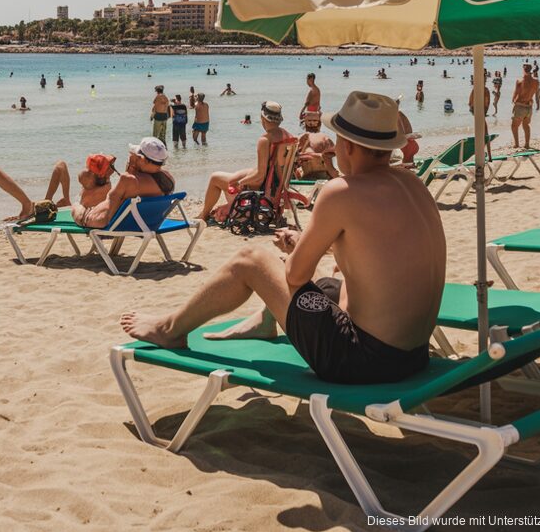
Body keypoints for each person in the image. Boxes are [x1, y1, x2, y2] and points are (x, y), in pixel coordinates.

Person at [121, 92, 445, 385]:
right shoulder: (414, 186)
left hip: (361, 361)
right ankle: (264, 321)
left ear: (346, 146)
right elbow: (377, 249)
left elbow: (294, 276)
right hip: (413, 356)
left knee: (253, 260)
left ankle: (170, 330)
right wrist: (306, 241)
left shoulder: (342, 193)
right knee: (329, 281)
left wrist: (296, 254)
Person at [0, 139, 175, 232]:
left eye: (133, 155)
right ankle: (43, 201)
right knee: (60, 165)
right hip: (137, 221)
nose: (125, 160)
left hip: (80, 213)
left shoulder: (125, 181)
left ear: (143, 160)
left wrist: (76, 208)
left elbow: (98, 220)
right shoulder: (166, 181)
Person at [199, 101, 293, 221]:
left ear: (262, 118)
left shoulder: (265, 140)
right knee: (234, 176)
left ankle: (204, 215)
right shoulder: (289, 137)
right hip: (277, 187)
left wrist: (241, 183)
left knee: (215, 178)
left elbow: (260, 175)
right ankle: (227, 207)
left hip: (264, 189)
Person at [294, 112, 338, 180]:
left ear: (304, 123)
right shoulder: (324, 138)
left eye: (314, 121)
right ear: (320, 123)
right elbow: (336, 154)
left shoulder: (298, 138)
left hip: (305, 175)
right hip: (322, 175)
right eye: (310, 121)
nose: (311, 123)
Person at [511, 64, 539, 148]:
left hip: (520, 106)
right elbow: (537, 95)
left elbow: (516, 93)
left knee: (514, 126)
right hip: (529, 107)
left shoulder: (520, 81)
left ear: (523, 70)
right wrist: (538, 104)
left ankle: (516, 144)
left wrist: (513, 101)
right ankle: (527, 144)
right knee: (526, 125)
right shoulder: (536, 81)